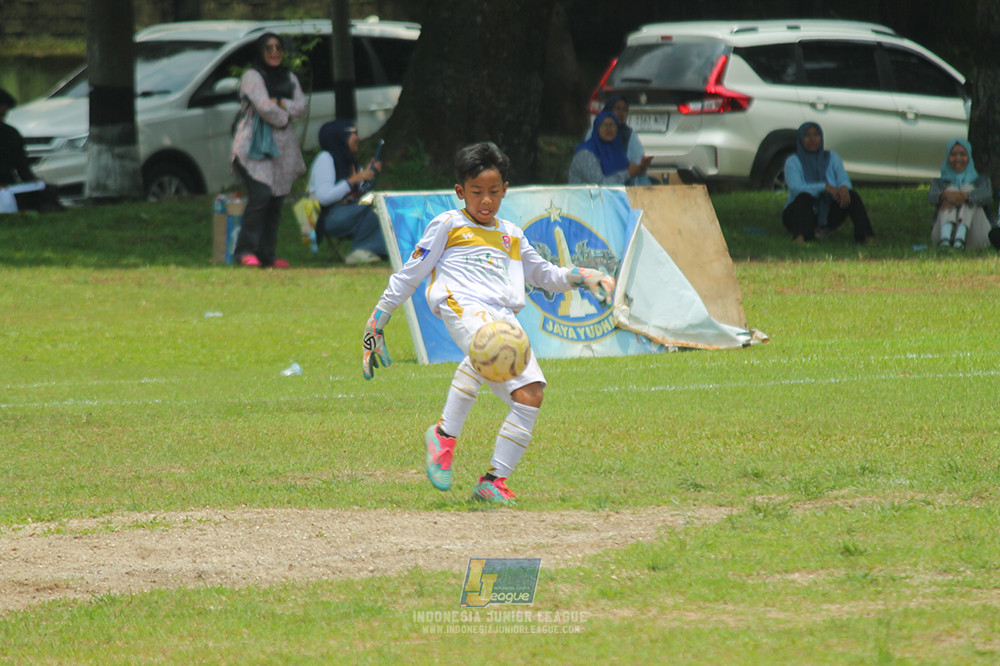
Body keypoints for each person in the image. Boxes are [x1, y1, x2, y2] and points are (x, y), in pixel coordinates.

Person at [361, 142, 616, 506]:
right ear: (460, 192)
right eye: (476, 191)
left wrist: (586, 276)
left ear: (505, 190)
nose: (485, 200)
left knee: (531, 395)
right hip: (461, 305)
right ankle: (444, 438)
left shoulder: (512, 234)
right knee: (488, 343)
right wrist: (378, 319)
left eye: (494, 192)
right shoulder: (448, 225)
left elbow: (546, 275)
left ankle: (493, 480)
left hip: (503, 320)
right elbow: (410, 273)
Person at [230, 33, 306, 268]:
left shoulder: (289, 77)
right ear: (260, 51)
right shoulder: (252, 76)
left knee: (276, 200)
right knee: (261, 195)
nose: (274, 52)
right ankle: (245, 251)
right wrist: (284, 116)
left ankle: (266, 256)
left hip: (283, 150)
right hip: (253, 148)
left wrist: (280, 102)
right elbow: (264, 107)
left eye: (278, 48)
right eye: (269, 48)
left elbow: (301, 107)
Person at [307, 119, 387, 264]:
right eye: (353, 133)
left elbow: (362, 194)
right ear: (340, 137)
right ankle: (361, 250)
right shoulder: (325, 159)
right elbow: (323, 198)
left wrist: (371, 174)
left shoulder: (351, 162)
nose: (358, 137)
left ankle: (374, 250)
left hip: (349, 212)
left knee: (380, 204)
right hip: (327, 217)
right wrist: (353, 180)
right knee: (373, 206)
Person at [783, 121, 874, 244]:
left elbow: (842, 178)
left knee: (852, 195)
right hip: (797, 213)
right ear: (800, 139)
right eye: (807, 135)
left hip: (827, 211)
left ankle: (866, 236)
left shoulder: (832, 157)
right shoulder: (793, 161)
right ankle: (800, 237)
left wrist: (843, 187)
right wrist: (824, 187)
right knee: (804, 197)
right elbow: (795, 188)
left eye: (816, 135)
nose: (812, 139)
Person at [0, 87, 63, 213]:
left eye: (3, 115)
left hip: (8, 187)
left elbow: (22, 168)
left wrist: (35, 182)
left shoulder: (11, 134)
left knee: (44, 191)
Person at [928, 139, 994, 249]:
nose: (958, 158)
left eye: (962, 154)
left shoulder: (981, 180)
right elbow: (931, 197)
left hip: (975, 237)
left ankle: (960, 237)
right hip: (940, 235)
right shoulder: (939, 182)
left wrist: (966, 197)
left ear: (969, 157)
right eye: (953, 154)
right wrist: (945, 195)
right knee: (951, 191)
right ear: (947, 157)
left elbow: (987, 196)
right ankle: (945, 239)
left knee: (967, 189)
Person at [568, 110, 651, 185]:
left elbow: (626, 181)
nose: (608, 128)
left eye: (612, 125)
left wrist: (639, 170)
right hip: (587, 197)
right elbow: (600, 185)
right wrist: (628, 173)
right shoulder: (586, 154)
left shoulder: (617, 152)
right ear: (596, 129)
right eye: (604, 125)